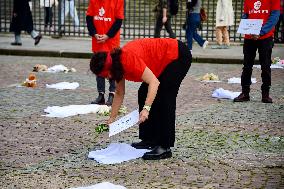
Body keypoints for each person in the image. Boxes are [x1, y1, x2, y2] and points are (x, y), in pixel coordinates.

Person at [89, 38, 191, 160]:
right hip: (161, 61)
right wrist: (112, 118)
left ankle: (165, 146)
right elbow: (119, 92)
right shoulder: (116, 65)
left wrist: (146, 109)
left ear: (109, 68)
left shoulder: (127, 59)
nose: (106, 78)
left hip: (176, 55)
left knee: (165, 96)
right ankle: (149, 139)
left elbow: (154, 82)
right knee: (143, 92)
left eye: (105, 76)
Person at [234, 0, 280, 103]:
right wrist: (245, 27)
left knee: (265, 66)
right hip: (250, 36)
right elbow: (246, 15)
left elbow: (274, 17)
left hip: (265, 37)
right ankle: (245, 93)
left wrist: (261, 31)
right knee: (246, 66)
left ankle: (265, 94)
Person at [86, 0, 124, 106]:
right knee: (99, 68)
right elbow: (89, 18)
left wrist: (108, 35)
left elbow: (118, 21)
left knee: (112, 67)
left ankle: (112, 94)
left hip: (111, 41)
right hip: (98, 41)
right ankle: (101, 95)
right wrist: (94, 33)